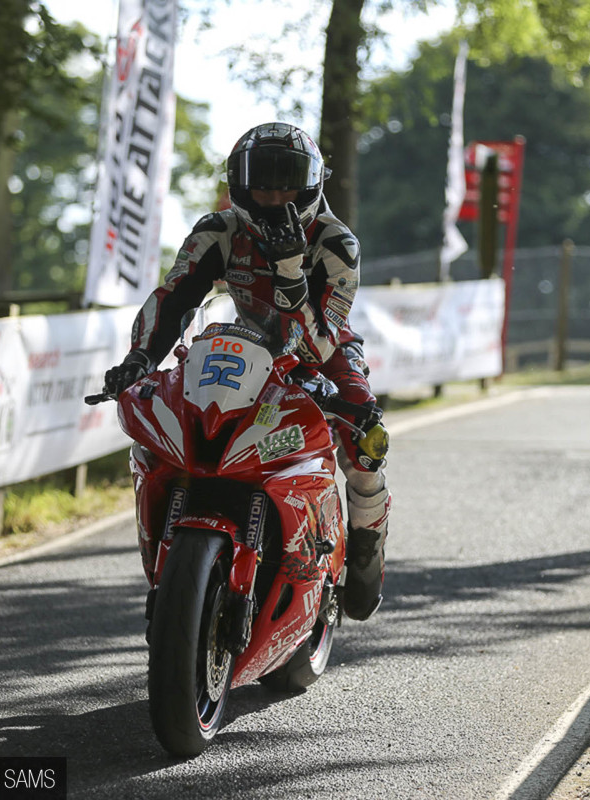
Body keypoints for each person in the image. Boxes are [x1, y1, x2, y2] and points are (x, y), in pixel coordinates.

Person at [102, 122, 391, 621]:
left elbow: (318, 338)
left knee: (367, 442)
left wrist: (289, 271)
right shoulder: (217, 231)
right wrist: (140, 359)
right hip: (247, 340)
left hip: (325, 346)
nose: (275, 196)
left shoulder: (337, 243)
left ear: (311, 185)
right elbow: (174, 298)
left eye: (287, 184)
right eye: (263, 183)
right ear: (239, 186)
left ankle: (367, 545)